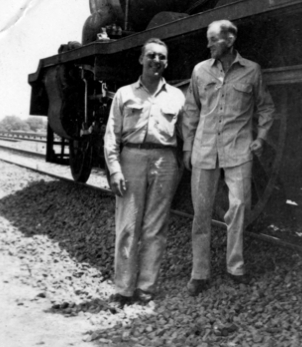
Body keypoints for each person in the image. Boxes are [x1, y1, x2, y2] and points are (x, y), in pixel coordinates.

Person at [182, 20, 275, 295]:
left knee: (238, 208)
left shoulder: (252, 72)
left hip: (238, 151)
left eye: (213, 40)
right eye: (208, 39)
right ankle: (199, 273)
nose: (208, 44)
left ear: (230, 41)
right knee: (201, 213)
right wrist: (188, 146)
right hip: (204, 150)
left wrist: (261, 137)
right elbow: (190, 111)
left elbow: (266, 108)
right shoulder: (200, 71)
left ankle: (235, 267)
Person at [104, 38, 184, 304]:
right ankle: (124, 289)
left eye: (162, 57)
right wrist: (115, 169)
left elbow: (185, 135)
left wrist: (182, 164)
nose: (156, 61)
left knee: (155, 228)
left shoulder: (177, 97)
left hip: (165, 161)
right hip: (132, 160)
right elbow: (111, 135)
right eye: (151, 55)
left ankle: (146, 288)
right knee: (127, 226)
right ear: (141, 60)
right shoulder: (125, 94)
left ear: (167, 62)